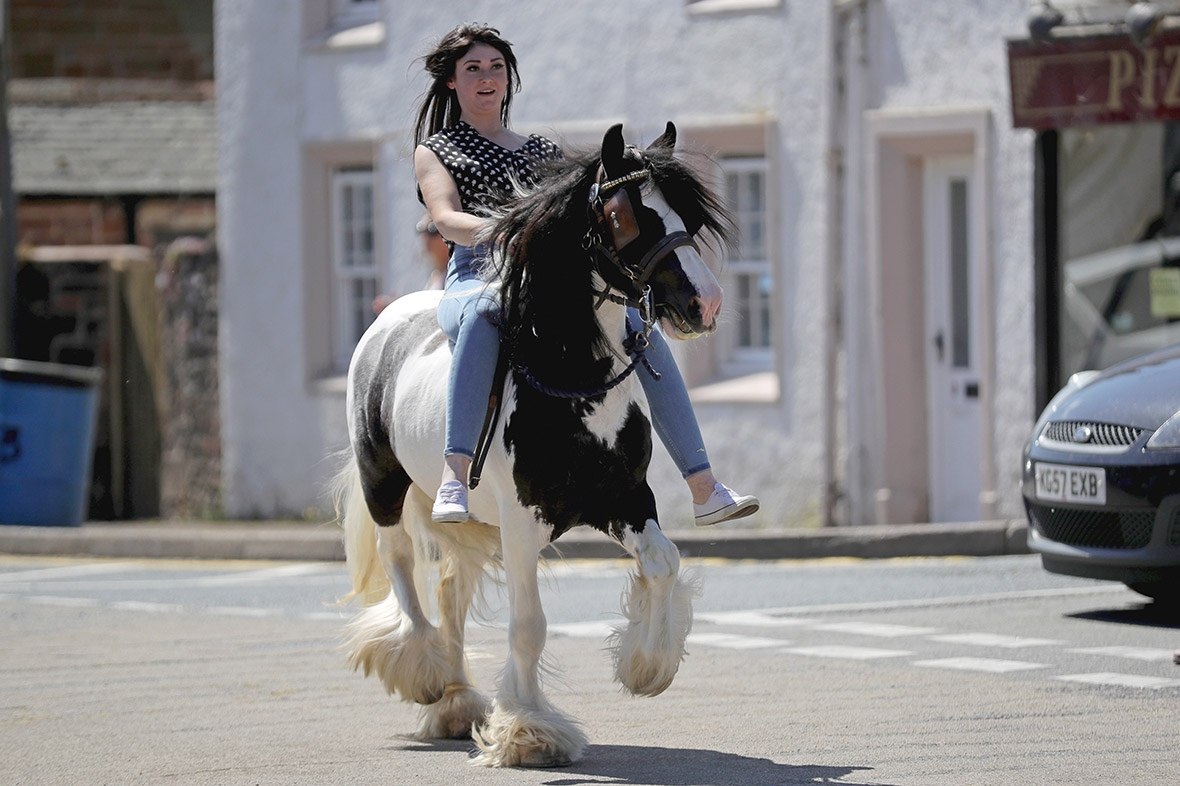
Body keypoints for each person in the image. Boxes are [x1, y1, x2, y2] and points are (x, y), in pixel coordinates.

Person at [413, 23, 758, 527]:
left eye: (496, 68)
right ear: (451, 81)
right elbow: (445, 218)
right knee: (487, 313)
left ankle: (703, 485)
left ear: (508, 79)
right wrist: (504, 230)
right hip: (476, 272)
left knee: (638, 328)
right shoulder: (439, 150)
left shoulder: (538, 150)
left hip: (539, 277)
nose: (487, 78)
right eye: (473, 69)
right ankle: (454, 473)